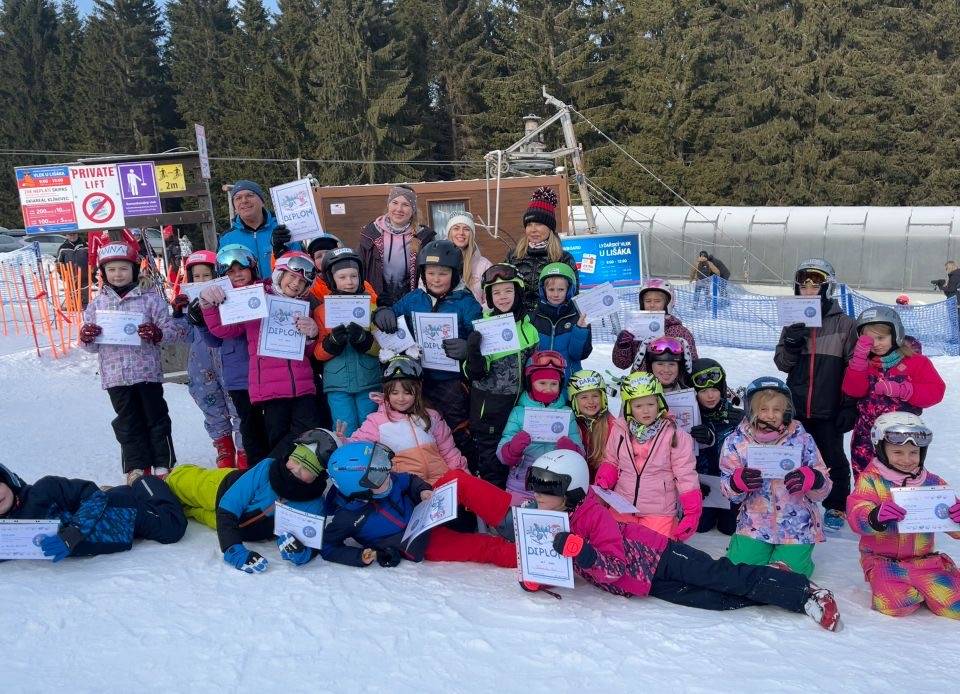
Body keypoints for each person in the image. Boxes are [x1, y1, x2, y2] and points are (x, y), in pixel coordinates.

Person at [520, 451, 842, 631]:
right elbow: (543, 560)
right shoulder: (545, 517)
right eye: (536, 489)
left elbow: (614, 566)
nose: (538, 497)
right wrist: (534, 577)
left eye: (548, 491)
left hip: (659, 556)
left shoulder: (593, 516)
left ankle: (802, 592)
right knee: (710, 598)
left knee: (721, 576)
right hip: (642, 582)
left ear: (573, 490)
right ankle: (777, 578)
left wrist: (584, 554)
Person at [79, 241, 187, 484]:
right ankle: (136, 467)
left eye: (124, 269)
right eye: (112, 270)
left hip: (146, 372)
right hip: (116, 376)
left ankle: (163, 463)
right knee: (128, 422)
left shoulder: (150, 300)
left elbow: (171, 330)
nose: (118, 274)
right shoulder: (97, 305)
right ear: (103, 273)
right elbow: (89, 347)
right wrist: (87, 337)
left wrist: (157, 333)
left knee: (155, 417)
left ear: (135, 270)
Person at [201, 251, 321, 460]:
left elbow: (308, 352)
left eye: (302, 281)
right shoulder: (257, 297)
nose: (295, 284)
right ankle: (275, 480)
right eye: (292, 276)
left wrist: (312, 334)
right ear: (279, 275)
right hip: (270, 389)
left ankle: (299, 481)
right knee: (278, 439)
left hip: (302, 387)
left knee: (307, 436)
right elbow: (224, 330)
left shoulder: (304, 307)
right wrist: (207, 303)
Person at [321, 441, 516, 568]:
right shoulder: (347, 517)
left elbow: (409, 480)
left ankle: (509, 523)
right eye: (380, 477)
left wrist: (422, 490)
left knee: (457, 478)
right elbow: (328, 546)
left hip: (425, 509)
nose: (388, 476)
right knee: (482, 546)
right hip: (419, 542)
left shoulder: (386, 478)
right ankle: (526, 557)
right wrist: (358, 556)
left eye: (385, 469)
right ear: (360, 490)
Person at [372, 240, 481, 459]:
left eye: (443, 273)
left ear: (455, 274)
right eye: (431, 273)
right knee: (421, 426)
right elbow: (393, 316)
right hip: (418, 379)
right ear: (423, 273)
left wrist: (469, 347)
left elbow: (481, 334)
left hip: (451, 381)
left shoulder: (466, 302)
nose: (436, 279)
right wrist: (382, 313)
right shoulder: (414, 299)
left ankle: (462, 468)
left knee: (455, 427)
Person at [172, 429, 337, 573]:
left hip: (238, 526)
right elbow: (228, 508)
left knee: (187, 511)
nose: (297, 470)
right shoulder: (267, 468)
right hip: (219, 490)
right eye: (296, 459)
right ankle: (168, 477)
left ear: (320, 476)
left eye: (308, 468)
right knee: (180, 484)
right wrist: (233, 549)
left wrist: (299, 552)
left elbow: (312, 544)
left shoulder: (314, 505)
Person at [846, 413, 960, 619]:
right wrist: (874, 516)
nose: (907, 460)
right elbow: (856, 513)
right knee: (894, 606)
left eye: (913, 452)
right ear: (881, 450)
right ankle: (908, 587)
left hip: (924, 561)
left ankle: (931, 581)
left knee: (956, 606)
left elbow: (953, 529)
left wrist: (957, 518)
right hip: (883, 561)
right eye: (898, 452)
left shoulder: (933, 483)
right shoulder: (871, 481)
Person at [774, 258, 858, 534]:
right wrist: (792, 341)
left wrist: (848, 405)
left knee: (832, 457)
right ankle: (797, 496)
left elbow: (853, 369)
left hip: (828, 405)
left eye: (816, 283)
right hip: (796, 405)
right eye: (804, 283)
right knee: (794, 454)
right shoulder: (792, 323)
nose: (809, 288)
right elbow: (782, 364)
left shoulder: (844, 324)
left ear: (827, 287)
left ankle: (836, 504)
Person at [720, 377, 831, 577]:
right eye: (763, 409)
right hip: (754, 522)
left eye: (777, 410)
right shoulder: (736, 442)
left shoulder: (803, 440)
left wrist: (815, 479)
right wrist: (736, 483)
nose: (770, 415)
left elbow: (822, 491)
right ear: (751, 410)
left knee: (789, 576)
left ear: (786, 412)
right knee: (738, 571)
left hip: (796, 525)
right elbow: (729, 492)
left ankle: (798, 559)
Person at [0, 463, 186, 561]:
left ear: (8, 480)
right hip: (116, 534)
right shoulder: (7, 533)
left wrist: (73, 532)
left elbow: (93, 495)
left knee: (172, 528)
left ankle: (143, 481)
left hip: (125, 513)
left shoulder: (43, 489)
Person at [594, 371, 701, 539]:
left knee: (655, 553)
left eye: (650, 404)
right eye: (638, 406)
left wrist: (692, 513)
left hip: (658, 510)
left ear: (659, 403)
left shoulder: (674, 435)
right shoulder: (620, 430)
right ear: (629, 408)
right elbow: (611, 460)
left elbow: (685, 475)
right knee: (615, 547)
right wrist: (605, 477)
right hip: (623, 505)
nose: (646, 411)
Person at [842, 307, 945, 478]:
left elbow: (936, 391)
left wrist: (904, 390)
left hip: (903, 438)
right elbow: (853, 390)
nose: (875, 344)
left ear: (896, 334)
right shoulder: (864, 364)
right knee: (867, 480)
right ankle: (868, 505)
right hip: (866, 436)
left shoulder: (916, 362)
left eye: (881, 338)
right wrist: (859, 361)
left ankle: (901, 505)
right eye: (869, 340)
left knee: (902, 478)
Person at [193, 244, 268, 468]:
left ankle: (272, 465)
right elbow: (216, 340)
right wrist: (203, 321)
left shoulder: (264, 291)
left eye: (242, 269)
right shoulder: (219, 298)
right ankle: (252, 467)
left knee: (271, 422)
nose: (237, 275)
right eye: (230, 271)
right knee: (248, 422)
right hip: (239, 374)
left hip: (267, 371)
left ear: (252, 268)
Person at [465, 264, 540, 486]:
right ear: (489, 297)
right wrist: (474, 353)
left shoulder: (530, 329)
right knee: (493, 467)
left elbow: (533, 371)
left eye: (508, 290)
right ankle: (493, 516)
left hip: (519, 409)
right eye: (496, 292)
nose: (502, 297)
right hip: (490, 411)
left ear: (518, 292)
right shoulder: (485, 327)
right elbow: (474, 374)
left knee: (518, 463)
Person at [172, 251, 244, 468]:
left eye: (207, 275)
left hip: (228, 360)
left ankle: (244, 448)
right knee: (210, 402)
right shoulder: (188, 303)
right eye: (197, 277)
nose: (202, 281)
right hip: (201, 363)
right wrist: (178, 313)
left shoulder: (230, 299)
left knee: (238, 405)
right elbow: (181, 335)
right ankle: (223, 446)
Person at [350, 356, 467, 486]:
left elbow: (449, 452)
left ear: (417, 392)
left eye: (407, 393)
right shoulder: (377, 422)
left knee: (479, 492)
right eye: (394, 393)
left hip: (441, 482)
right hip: (407, 488)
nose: (401, 398)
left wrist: (462, 475)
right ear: (386, 393)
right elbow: (357, 446)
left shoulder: (431, 416)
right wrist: (341, 441)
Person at [497, 350, 583, 504]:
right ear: (531, 383)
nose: (548, 389)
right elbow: (502, 455)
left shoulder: (566, 414)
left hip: (555, 486)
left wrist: (572, 450)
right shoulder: (518, 412)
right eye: (542, 383)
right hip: (520, 485)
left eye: (554, 384)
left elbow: (580, 453)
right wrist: (513, 449)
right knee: (515, 523)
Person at [313, 247, 381, 436]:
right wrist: (331, 343)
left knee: (370, 428)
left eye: (354, 276)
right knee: (344, 429)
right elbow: (317, 352)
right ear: (331, 279)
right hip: (337, 384)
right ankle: (347, 463)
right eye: (342, 277)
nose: (349, 282)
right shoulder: (321, 311)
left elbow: (383, 348)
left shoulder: (371, 307)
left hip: (368, 380)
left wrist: (365, 342)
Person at [689, 358, 744, 535]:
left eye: (714, 390)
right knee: (701, 527)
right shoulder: (689, 416)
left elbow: (745, 454)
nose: (710, 396)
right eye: (704, 391)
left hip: (731, 484)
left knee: (730, 529)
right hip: (703, 484)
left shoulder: (736, 417)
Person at [359, 185, 436, 307]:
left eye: (405, 205)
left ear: (413, 210)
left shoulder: (423, 237)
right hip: (376, 302)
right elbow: (360, 270)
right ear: (388, 205)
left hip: (411, 302)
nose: (399, 209)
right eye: (395, 202)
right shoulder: (371, 233)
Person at [505, 186, 578, 314]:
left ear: (550, 228)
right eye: (529, 225)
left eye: (539, 224)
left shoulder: (564, 258)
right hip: (521, 323)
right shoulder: (513, 256)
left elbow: (572, 295)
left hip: (550, 322)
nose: (533, 230)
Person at [612, 279, 699, 368]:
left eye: (657, 301)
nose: (652, 305)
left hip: (668, 379)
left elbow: (692, 365)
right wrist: (623, 346)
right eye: (648, 301)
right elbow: (622, 364)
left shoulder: (680, 332)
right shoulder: (636, 329)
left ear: (667, 303)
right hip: (640, 380)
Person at [532, 262, 592, 378]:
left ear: (569, 290)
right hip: (541, 381)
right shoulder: (534, 317)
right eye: (551, 289)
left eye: (561, 289)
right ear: (543, 291)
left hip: (568, 379)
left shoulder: (578, 317)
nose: (555, 294)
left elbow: (578, 355)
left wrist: (580, 330)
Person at [217, 180, 279, 280]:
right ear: (235, 208)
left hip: (282, 293)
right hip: (247, 294)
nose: (244, 200)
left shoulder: (282, 228)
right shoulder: (226, 239)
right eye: (238, 198)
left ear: (262, 201)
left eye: (250, 195)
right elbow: (222, 274)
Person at [567, 370, 616, 482]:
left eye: (595, 396)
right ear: (574, 401)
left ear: (603, 398)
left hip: (601, 484)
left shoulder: (611, 425)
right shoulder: (570, 424)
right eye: (584, 397)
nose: (591, 401)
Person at [444, 211, 491, 305]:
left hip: (474, 318)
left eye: (466, 229)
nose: (461, 233)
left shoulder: (484, 265)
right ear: (449, 232)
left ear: (472, 234)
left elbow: (490, 301)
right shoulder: (436, 262)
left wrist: (477, 314)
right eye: (456, 228)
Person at [55, 231, 89, 307]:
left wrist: (92, 272)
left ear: (77, 234)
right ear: (66, 235)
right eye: (70, 235)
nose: (72, 236)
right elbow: (58, 262)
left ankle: (85, 309)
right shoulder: (63, 247)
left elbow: (91, 259)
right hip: (71, 276)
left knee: (85, 296)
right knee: (73, 296)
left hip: (84, 276)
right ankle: (74, 307)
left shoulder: (85, 245)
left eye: (74, 234)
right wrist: (62, 273)